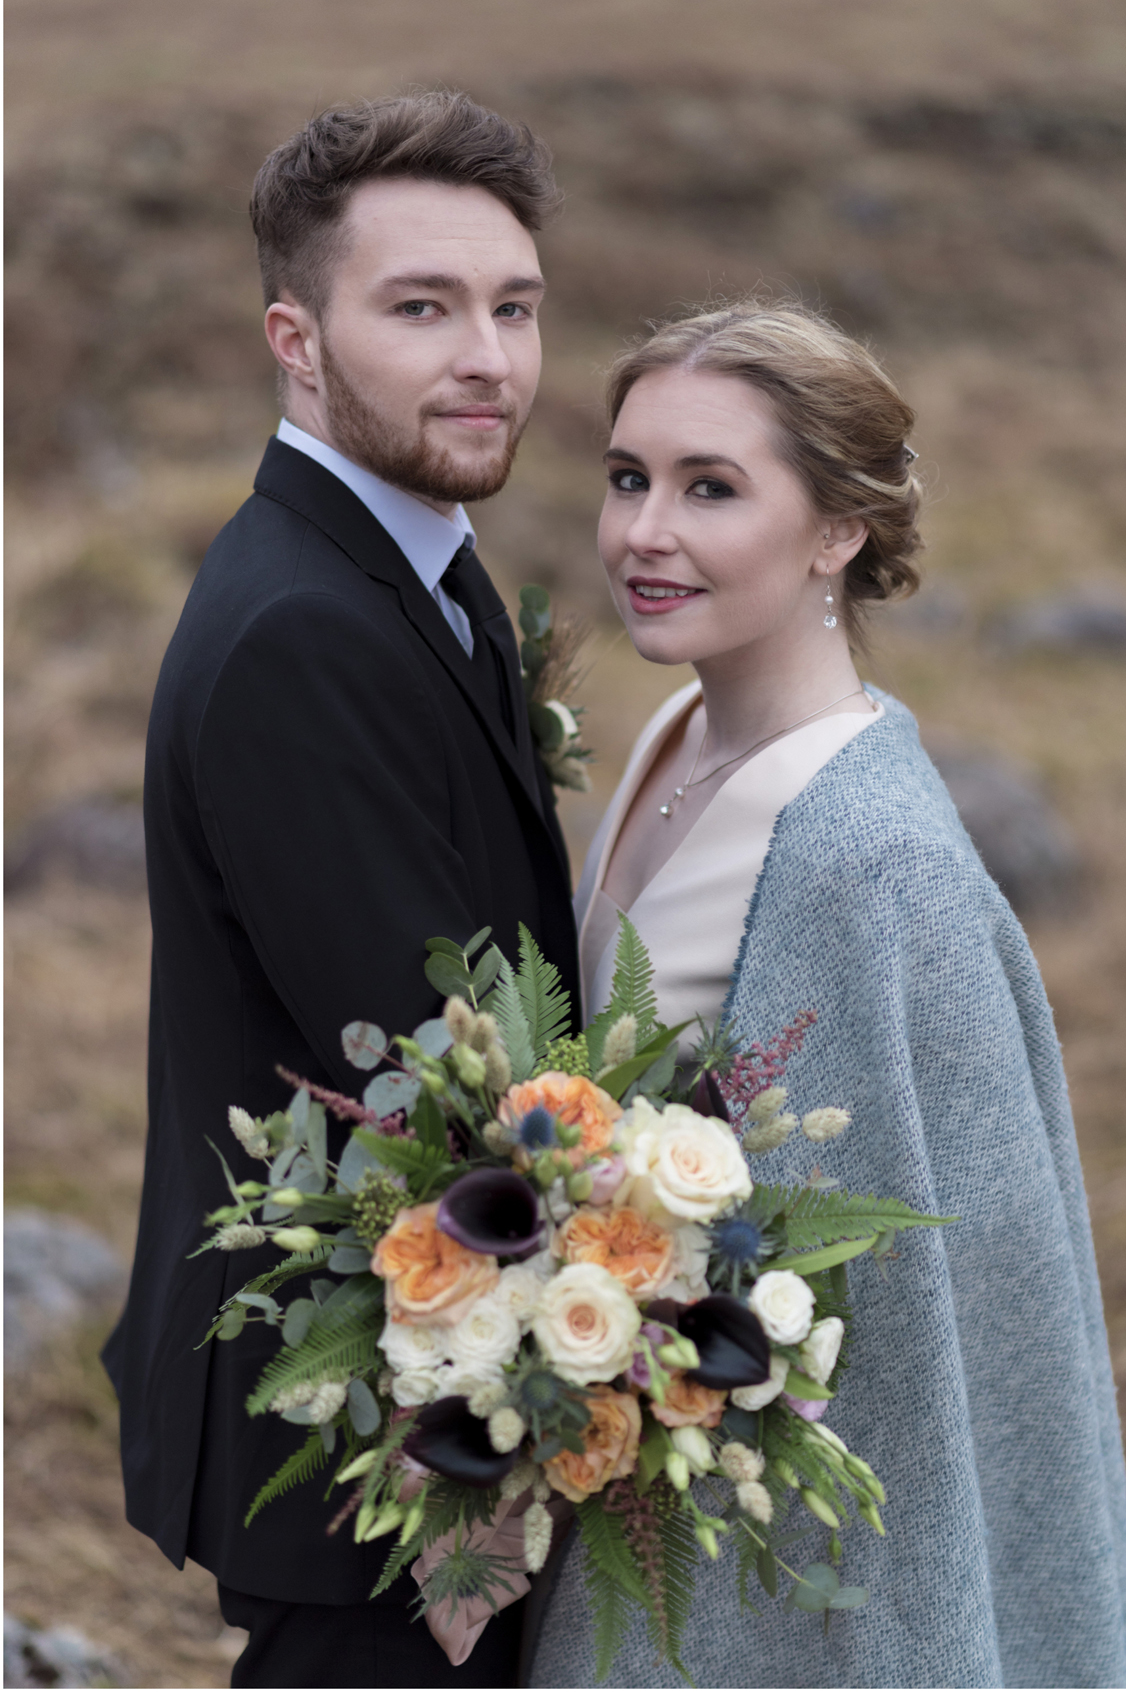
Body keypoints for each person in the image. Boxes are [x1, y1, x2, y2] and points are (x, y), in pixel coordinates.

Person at [525, 302, 1126, 1687]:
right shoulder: (676, 733)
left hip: (731, 1553)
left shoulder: (873, 862)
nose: (643, 531)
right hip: (616, 1464)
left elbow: (919, 1329)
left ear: (838, 529)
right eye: (628, 478)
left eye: (712, 488)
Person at [101, 92, 579, 1688]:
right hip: (374, 1436)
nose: (489, 359)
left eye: (514, 308)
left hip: (435, 1394)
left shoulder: (425, 567)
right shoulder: (301, 628)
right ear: (296, 340)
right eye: (422, 308)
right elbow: (424, 1072)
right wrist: (478, 1470)